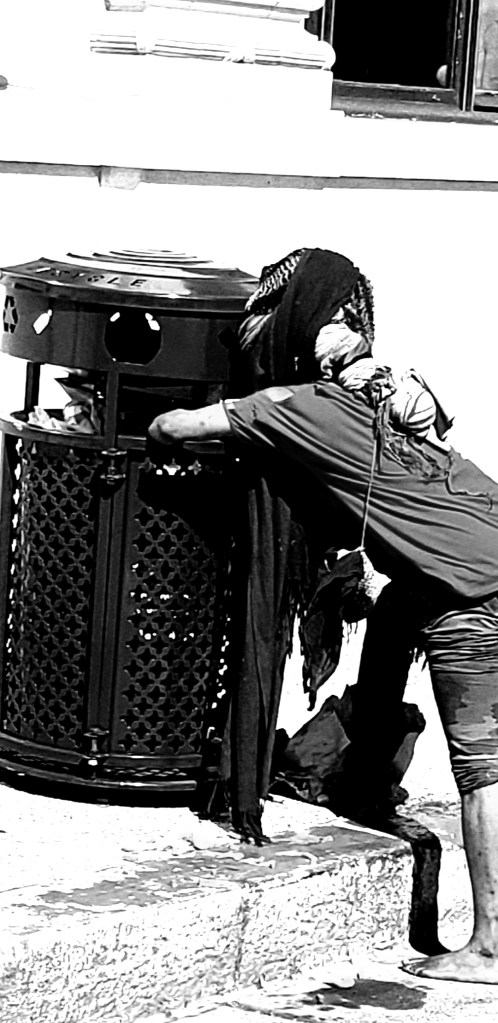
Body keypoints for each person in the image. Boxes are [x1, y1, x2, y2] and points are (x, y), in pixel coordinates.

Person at [149, 248, 498, 984]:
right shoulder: (398, 397)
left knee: (483, 769)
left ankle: (491, 945)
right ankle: (363, 771)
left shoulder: (297, 406)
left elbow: (176, 427)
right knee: (398, 606)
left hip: (473, 591)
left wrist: (146, 421)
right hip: (482, 547)